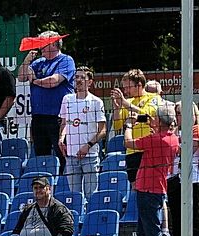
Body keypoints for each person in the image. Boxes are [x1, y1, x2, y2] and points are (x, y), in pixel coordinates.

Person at [124, 103, 179, 236]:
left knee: (153, 232)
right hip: (156, 188)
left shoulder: (154, 140)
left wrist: (128, 126)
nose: (152, 119)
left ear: (161, 121)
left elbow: (128, 143)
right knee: (143, 231)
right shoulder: (173, 138)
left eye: (155, 117)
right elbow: (160, 137)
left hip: (148, 189)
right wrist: (153, 125)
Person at [17, 30, 75, 166]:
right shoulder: (38, 62)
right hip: (39, 117)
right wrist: (26, 61)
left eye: (43, 43)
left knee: (62, 153)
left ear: (54, 44)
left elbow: (53, 81)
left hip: (58, 117)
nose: (40, 46)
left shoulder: (66, 60)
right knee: (41, 156)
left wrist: (36, 81)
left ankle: (64, 182)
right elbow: (21, 77)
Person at [58, 67, 107, 201]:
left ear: (89, 82)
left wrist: (88, 145)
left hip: (89, 156)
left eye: (82, 78)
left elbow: (103, 130)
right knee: (74, 197)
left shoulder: (96, 102)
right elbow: (64, 123)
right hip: (71, 155)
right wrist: (61, 139)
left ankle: (90, 220)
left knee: (91, 195)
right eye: (76, 77)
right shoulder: (67, 99)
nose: (78, 80)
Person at [111, 69, 161, 189]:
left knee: (152, 187)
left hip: (148, 150)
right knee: (135, 187)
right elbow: (117, 126)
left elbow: (147, 115)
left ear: (139, 85)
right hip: (132, 151)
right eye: (124, 88)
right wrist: (117, 109)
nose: (125, 91)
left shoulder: (153, 98)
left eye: (128, 87)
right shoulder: (128, 102)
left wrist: (125, 103)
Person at [167, 101, 199, 236]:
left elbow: (186, 152)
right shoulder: (173, 133)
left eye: (181, 113)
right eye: (177, 113)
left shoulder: (196, 129)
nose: (179, 117)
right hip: (174, 181)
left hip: (194, 181)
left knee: (193, 219)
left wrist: (172, 145)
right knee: (177, 219)